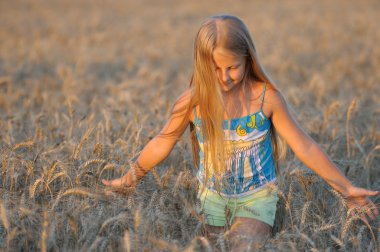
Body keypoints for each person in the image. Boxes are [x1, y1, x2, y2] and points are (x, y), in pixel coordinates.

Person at [102, 14, 379, 250]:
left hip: (256, 198)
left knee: (242, 246)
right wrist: (130, 179)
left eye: (232, 67)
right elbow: (163, 142)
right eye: (215, 69)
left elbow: (303, 145)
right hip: (211, 199)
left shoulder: (266, 99)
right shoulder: (193, 101)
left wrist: (345, 189)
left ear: (248, 59)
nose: (224, 77)